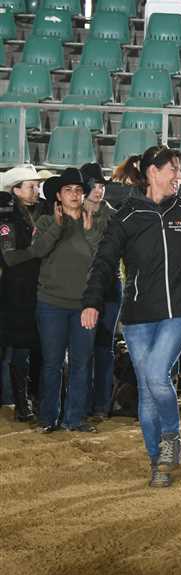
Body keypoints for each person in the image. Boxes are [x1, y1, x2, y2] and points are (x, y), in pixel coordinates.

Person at [81, 146, 181, 488]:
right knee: (147, 390)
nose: (179, 176)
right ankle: (157, 461)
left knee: (158, 376)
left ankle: (172, 438)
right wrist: (91, 301)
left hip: (178, 312)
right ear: (153, 172)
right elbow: (103, 262)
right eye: (174, 169)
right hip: (138, 317)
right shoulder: (126, 216)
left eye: (180, 170)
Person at [16, 169, 106, 432]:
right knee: (51, 364)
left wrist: (89, 232)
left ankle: (75, 418)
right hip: (51, 304)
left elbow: (102, 260)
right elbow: (38, 251)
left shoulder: (95, 223)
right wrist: (57, 225)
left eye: (78, 190)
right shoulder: (46, 222)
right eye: (68, 190)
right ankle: (48, 419)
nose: (74, 194)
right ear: (58, 195)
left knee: (82, 364)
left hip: (84, 306)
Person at [0, 165, 55, 424]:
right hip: (16, 293)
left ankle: (34, 398)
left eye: (37, 186)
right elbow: (10, 257)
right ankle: (21, 403)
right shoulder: (7, 218)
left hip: (39, 288)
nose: (36, 190)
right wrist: (38, 251)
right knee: (21, 348)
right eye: (31, 186)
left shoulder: (43, 211)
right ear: (16, 190)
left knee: (40, 348)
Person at [80, 163, 122, 421]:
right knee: (83, 349)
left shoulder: (113, 216)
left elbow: (110, 253)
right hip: (81, 286)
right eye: (94, 186)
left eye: (102, 186)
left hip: (108, 287)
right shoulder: (73, 213)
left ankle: (100, 405)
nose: (99, 190)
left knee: (104, 347)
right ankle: (84, 404)